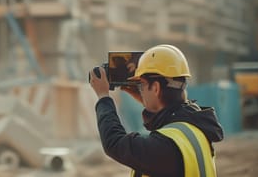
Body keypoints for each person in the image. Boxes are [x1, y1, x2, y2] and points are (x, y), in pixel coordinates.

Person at [89, 44, 224, 176]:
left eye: (141, 85)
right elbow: (171, 117)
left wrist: (103, 97)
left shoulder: (164, 145)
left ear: (156, 88)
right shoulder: (196, 128)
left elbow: (115, 143)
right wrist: (149, 100)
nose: (140, 90)